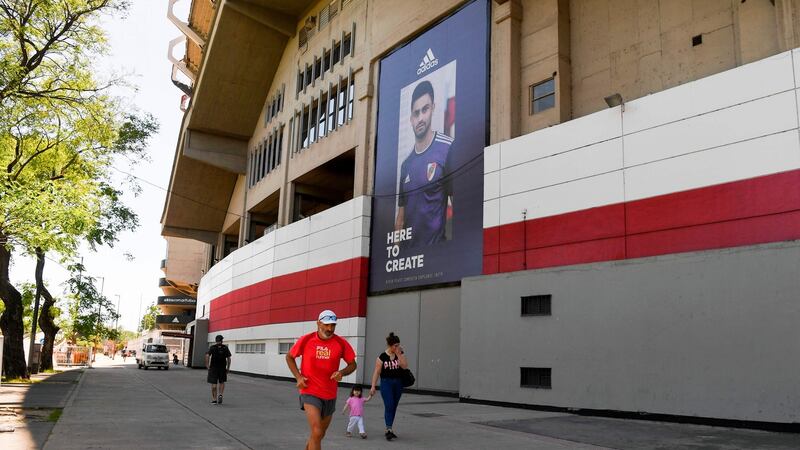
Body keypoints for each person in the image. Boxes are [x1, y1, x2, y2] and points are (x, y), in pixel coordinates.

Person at [286, 309, 357, 450]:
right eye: (326, 325)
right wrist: (298, 377)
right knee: (317, 431)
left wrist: (341, 372)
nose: (330, 329)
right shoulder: (306, 340)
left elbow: (353, 364)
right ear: (318, 323)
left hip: (330, 394)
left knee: (319, 434)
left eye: (333, 325)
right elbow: (289, 357)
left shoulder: (340, 343)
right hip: (309, 390)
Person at [395, 80, 454, 246]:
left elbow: (459, 207)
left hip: (436, 254)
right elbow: (400, 218)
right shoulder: (406, 165)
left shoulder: (448, 148)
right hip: (410, 258)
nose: (420, 118)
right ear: (411, 119)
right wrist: (396, 253)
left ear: (433, 108)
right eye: (416, 113)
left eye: (425, 109)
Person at [370, 332, 408, 441]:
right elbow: (377, 372)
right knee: (389, 404)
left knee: (394, 406)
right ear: (390, 345)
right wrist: (373, 386)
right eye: (395, 345)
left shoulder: (400, 353)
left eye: (398, 345)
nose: (397, 347)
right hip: (386, 383)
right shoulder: (382, 357)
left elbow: (405, 366)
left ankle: (389, 429)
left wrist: (399, 354)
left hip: (398, 383)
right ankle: (389, 429)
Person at [205, 334, 231, 405]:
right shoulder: (225, 348)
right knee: (222, 382)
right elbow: (229, 358)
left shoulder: (212, 347)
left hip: (213, 368)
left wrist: (207, 366)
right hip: (222, 368)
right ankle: (220, 394)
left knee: (214, 385)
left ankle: (214, 399)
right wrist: (228, 368)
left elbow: (207, 355)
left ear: (216, 340)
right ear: (222, 340)